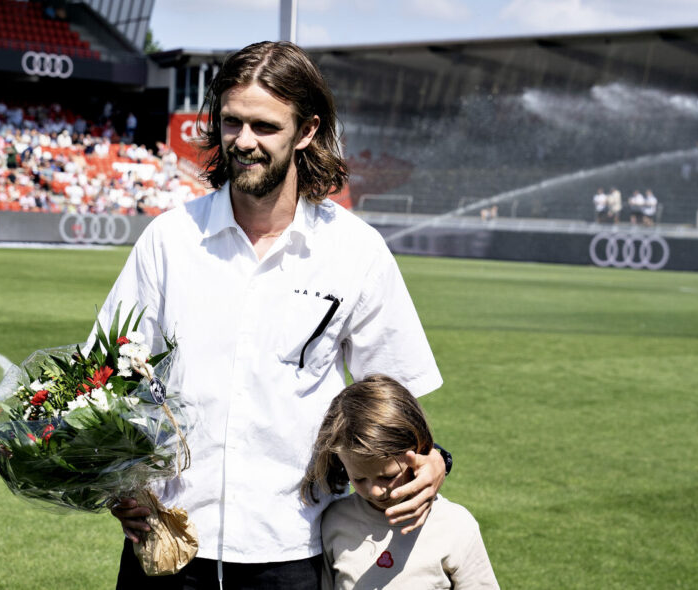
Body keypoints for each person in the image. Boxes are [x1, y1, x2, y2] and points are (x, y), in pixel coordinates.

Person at [101, 41, 448, 589]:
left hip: (293, 549)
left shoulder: (356, 250)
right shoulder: (169, 240)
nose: (243, 141)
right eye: (231, 122)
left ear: (306, 131)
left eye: (264, 126)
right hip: (166, 542)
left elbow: (395, 393)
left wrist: (434, 458)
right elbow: (105, 377)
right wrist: (117, 482)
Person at [302, 375, 498, 590]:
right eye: (358, 478)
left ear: (421, 448)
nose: (376, 491)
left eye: (388, 476)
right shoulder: (335, 521)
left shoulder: (456, 525)